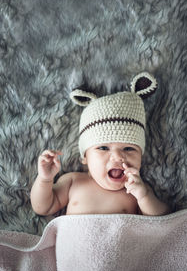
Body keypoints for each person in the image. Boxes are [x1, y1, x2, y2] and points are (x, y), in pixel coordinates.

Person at [30, 72, 170, 216]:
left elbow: (161, 219)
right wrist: (45, 179)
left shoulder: (137, 190)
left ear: (141, 155)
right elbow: (43, 208)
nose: (117, 156)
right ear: (85, 156)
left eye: (129, 148)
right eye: (103, 148)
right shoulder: (73, 181)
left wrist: (144, 196)